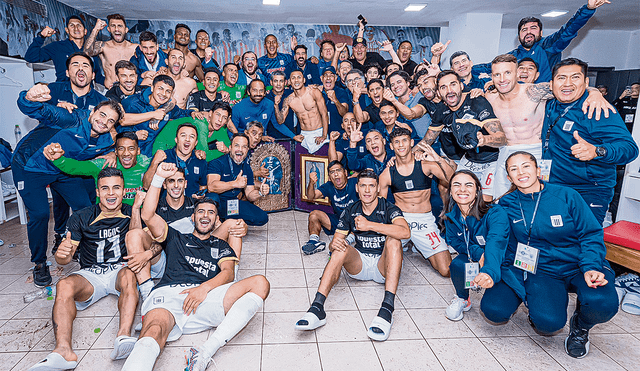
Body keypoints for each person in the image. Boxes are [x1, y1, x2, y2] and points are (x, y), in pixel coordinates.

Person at [121, 162, 270, 371]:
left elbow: (228, 273)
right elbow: (147, 216)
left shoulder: (220, 244)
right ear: (193, 217)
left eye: (210, 213)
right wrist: (157, 179)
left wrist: (203, 289)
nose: (205, 216)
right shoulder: (174, 238)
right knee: (153, 331)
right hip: (170, 296)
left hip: (205, 297)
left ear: (217, 220)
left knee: (261, 283)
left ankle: (205, 352)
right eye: (201, 212)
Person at [497, 151, 618, 358]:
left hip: (579, 263)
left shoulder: (566, 196)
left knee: (604, 303)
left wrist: (591, 266)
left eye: (526, 166)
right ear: (509, 177)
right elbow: (500, 242)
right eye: (513, 169)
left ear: (538, 170)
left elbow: (590, 233)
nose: (521, 172)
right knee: (547, 323)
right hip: (543, 269)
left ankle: (581, 326)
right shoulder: (506, 204)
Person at [27, 168, 141, 371]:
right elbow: (65, 257)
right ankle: (63, 351)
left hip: (120, 270)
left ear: (124, 191)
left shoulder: (132, 211)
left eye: (116, 188)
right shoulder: (82, 216)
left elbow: (146, 242)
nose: (111, 194)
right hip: (91, 274)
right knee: (64, 285)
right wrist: (62, 255)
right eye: (105, 188)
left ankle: (123, 337)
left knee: (129, 275)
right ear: (97, 192)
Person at [14, 86, 122, 287]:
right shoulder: (70, 118)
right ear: (92, 112)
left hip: (62, 168)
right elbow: (40, 110)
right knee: (40, 214)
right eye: (102, 115)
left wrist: (113, 153)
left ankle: (76, 245)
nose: (104, 122)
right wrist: (28, 98)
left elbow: (119, 145)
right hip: (29, 166)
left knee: (84, 208)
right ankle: (39, 264)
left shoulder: (106, 141)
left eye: (110, 121)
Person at [295, 169, 410, 342]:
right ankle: (317, 308)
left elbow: (405, 232)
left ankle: (387, 309)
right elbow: (337, 240)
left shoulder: (389, 207)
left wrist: (370, 225)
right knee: (340, 248)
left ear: (378, 188)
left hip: (382, 266)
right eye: (363, 186)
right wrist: (335, 244)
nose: (367, 190)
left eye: (371, 186)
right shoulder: (351, 209)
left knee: (394, 241)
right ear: (357, 188)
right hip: (360, 264)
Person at [485, 54, 613, 199]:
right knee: (502, 198)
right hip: (506, 151)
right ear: (492, 77)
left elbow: (568, 88)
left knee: (539, 199)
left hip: (536, 152)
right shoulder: (489, 97)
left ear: (517, 73)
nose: (502, 79)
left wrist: (594, 92)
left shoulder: (533, 92)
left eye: (507, 73)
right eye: (497, 74)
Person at [542, 58, 638, 224]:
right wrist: (594, 90)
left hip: (587, 190)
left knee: (583, 243)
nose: (567, 83)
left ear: (585, 82)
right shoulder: (551, 105)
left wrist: (597, 151)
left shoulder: (596, 109)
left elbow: (630, 148)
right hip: (554, 186)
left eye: (575, 77)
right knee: (554, 238)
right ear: (552, 84)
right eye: (561, 78)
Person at [38, 52, 109, 255]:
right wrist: (55, 111)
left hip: (86, 160)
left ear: (93, 74)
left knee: (86, 203)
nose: (80, 69)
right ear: (68, 71)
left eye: (85, 65)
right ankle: (61, 235)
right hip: (57, 159)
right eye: (75, 65)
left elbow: (108, 129)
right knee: (59, 203)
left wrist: (110, 153)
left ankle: (83, 240)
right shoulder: (54, 91)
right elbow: (38, 113)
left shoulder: (101, 101)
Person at [417, 70, 507, 200]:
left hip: (492, 160)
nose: (449, 90)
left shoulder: (476, 101)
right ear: (439, 92)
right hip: (469, 160)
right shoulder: (441, 111)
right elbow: (427, 140)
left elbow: (502, 138)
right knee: (459, 197)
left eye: (453, 84)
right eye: (443, 87)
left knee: (486, 202)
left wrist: (485, 139)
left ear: (461, 86)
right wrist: (405, 154)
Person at [440, 170, 514, 322]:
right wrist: (479, 253)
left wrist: (488, 263)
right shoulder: (451, 216)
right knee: (458, 263)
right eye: (456, 185)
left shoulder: (495, 213)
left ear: (478, 190)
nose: (462, 189)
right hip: (478, 257)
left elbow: (496, 241)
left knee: (496, 310)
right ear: (450, 191)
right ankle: (462, 298)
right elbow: (455, 242)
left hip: (501, 263)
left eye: (468, 185)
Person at [473, 0, 611, 82]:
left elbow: (568, 31)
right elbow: (487, 68)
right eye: (524, 29)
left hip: (546, 102)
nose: (528, 32)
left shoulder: (549, 46)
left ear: (541, 32)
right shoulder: (512, 57)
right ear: (519, 35)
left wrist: (587, 9)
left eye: (533, 28)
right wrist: (463, 69)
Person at [379, 128, 454, 275]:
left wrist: (438, 159)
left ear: (412, 142)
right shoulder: (387, 173)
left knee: (446, 270)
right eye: (396, 142)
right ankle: (404, 247)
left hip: (424, 221)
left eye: (404, 140)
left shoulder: (426, 165)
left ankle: (420, 246)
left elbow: (453, 180)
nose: (401, 145)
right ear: (391, 146)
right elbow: (381, 205)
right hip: (401, 220)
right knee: (387, 269)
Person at [44, 131, 149, 206]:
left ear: (138, 151)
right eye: (121, 149)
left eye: (131, 149)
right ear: (116, 151)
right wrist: (58, 159)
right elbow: (76, 167)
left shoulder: (146, 163)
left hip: (137, 216)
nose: (126, 153)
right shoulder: (105, 164)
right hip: (108, 218)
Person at [119, 74, 197, 157]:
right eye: (160, 88)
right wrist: (134, 134)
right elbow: (119, 125)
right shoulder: (133, 103)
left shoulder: (168, 107)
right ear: (152, 88)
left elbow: (181, 113)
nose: (163, 94)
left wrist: (192, 112)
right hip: (129, 153)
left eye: (168, 91)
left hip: (150, 153)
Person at [207, 134, 270, 226]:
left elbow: (249, 194)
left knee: (262, 217)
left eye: (244, 147)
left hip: (233, 204)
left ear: (247, 150)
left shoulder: (246, 167)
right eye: (237, 145)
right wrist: (234, 184)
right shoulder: (217, 163)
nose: (240, 149)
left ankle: (227, 221)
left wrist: (260, 192)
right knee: (212, 197)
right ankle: (219, 221)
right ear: (230, 147)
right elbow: (211, 187)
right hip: (218, 203)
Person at [301, 160, 359, 254]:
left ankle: (346, 242)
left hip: (357, 222)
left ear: (345, 173)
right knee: (314, 214)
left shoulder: (355, 182)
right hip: (340, 222)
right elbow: (311, 197)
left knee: (361, 218)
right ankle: (313, 242)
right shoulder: (329, 186)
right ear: (329, 177)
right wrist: (311, 183)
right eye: (332, 172)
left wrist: (359, 173)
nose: (335, 174)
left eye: (338, 170)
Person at [25, 16, 101, 82]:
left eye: (79, 25)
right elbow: (31, 58)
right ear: (67, 30)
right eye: (72, 25)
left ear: (85, 31)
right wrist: (41, 36)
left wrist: (111, 82)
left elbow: (97, 77)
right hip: (63, 92)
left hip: (86, 93)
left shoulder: (91, 50)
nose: (76, 28)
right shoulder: (57, 46)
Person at [143, 123, 207, 199]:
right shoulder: (163, 157)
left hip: (191, 207)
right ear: (176, 140)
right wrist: (154, 163)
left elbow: (203, 186)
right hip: (164, 208)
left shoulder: (200, 161)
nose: (187, 139)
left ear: (196, 143)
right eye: (183, 135)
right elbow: (146, 186)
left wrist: (198, 197)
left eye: (192, 137)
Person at [274, 70, 330, 153]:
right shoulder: (288, 100)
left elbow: (324, 114)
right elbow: (280, 120)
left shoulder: (314, 92)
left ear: (304, 80)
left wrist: (324, 135)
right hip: (304, 135)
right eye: (293, 78)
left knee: (322, 163)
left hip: (319, 131)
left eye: (299, 77)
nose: (296, 80)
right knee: (303, 164)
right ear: (289, 81)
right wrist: (276, 106)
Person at [84, 14, 138, 89]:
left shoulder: (135, 48)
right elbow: (87, 52)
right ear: (109, 29)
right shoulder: (103, 46)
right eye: (113, 26)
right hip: (109, 91)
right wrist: (96, 29)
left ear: (126, 29)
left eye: (120, 26)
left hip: (130, 91)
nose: (116, 29)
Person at [264, 71, 296, 138]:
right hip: (272, 138)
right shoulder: (266, 98)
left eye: (281, 81)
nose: (278, 84)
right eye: (275, 81)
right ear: (271, 82)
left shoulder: (291, 94)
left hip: (290, 137)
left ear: (285, 82)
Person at [320, 66, 350, 133]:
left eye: (331, 75)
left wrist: (335, 100)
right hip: (321, 134)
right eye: (325, 75)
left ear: (336, 78)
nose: (328, 78)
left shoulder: (341, 92)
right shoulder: (317, 93)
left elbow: (344, 113)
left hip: (338, 133)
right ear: (321, 78)